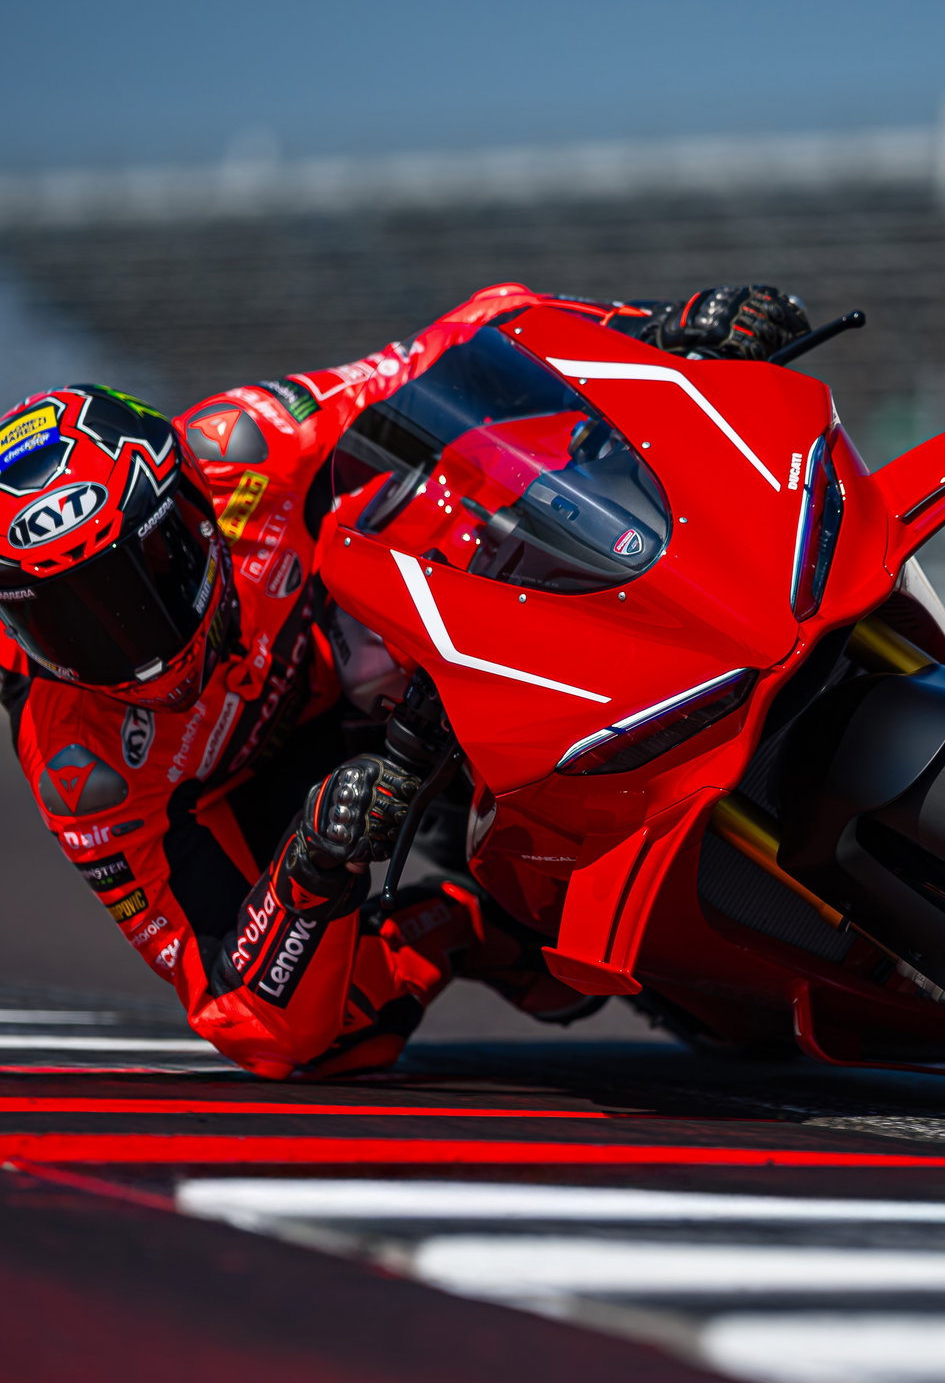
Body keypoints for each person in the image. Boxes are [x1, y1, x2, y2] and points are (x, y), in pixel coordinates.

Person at [0, 283, 809, 1078]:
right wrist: (312, 866)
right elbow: (229, 1005)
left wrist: (662, 329)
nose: (128, 641)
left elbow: (450, 349)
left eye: (146, 573)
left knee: (456, 466)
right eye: (67, 622)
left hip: (359, 636)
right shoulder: (80, 767)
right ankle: (468, 926)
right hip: (265, 798)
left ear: (190, 507)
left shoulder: (243, 446)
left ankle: (679, 627)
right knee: (311, 1037)